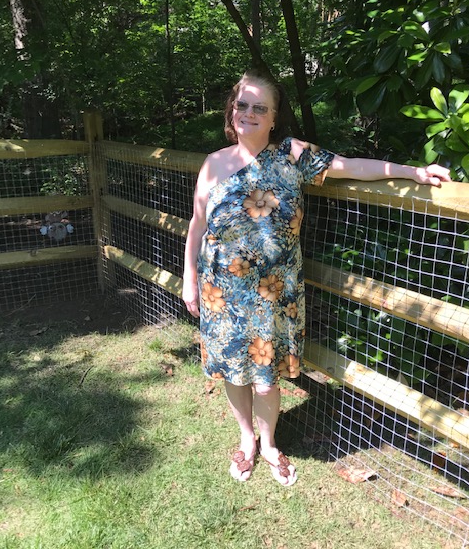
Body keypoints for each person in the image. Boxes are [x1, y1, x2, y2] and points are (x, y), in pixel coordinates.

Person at [182, 70, 451, 487]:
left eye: (260, 107)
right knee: (234, 374)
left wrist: (412, 172)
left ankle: (269, 443)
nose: (249, 113)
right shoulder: (213, 163)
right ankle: (246, 438)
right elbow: (197, 225)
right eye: (242, 105)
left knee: (266, 381)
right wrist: (189, 279)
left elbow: (350, 166)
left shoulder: (292, 154)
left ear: (274, 117)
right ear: (232, 110)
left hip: (274, 294)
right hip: (221, 291)